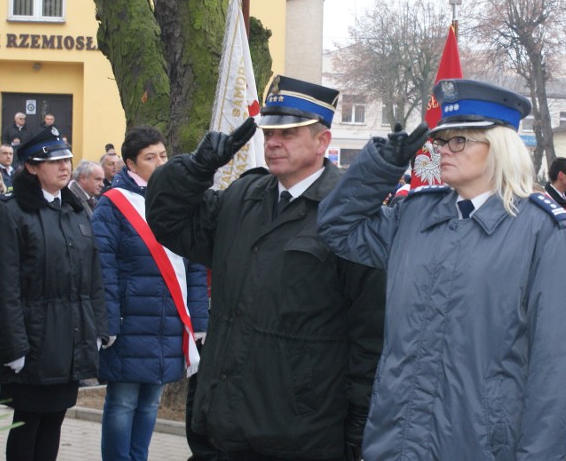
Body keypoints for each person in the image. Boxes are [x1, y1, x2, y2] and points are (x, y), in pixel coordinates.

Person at [317, 79, 566, 459]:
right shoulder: (415, 213)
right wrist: (381, 166)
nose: (443, 150)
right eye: (442, 141)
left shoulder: (541, 230)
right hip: (397, 439)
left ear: (499, 148)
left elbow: (556, 368)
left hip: (478, 444)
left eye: (459, 141)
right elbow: (337, 228)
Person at [145, 75, 386, 460]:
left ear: (322, 141)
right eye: (270, 132)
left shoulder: (352, 216)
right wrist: (195, 168)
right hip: (222, 423)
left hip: (299, 432)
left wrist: (359, 433)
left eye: (288, 133)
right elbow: (168, 221)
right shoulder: (244, 196)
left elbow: (370, 337)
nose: (273, 142)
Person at [0, 126, 108, 461]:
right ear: (32, 168)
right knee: (28, 422)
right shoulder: (9, 213)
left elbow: (92, 278)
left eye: (67, 159)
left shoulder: (75, 211)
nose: (65, 166)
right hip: (32, 343)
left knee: (54, 420)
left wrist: (96, 329)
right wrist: (13, 346)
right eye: (54, 161)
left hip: (70, 338)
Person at [91, 127, 209, 461]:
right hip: (129, 321)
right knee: (123, 402)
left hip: (169, 320)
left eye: (162, 155)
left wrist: (198, 318)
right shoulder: (113, 205)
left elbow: (196, 262)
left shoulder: (181, 201)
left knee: (150, 403)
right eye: (149, 157)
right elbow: (103, 268)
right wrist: (109, 322)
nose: (159, 162)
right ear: (130, 163)